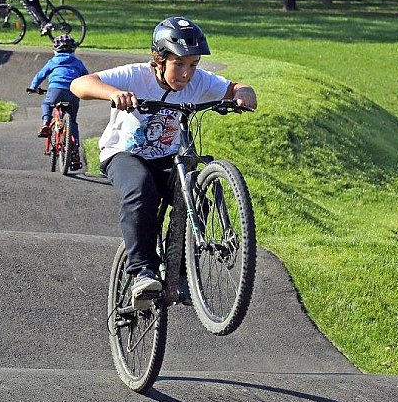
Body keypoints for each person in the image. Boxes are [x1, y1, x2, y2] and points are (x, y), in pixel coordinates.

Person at [70, 16, 257, 304]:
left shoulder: (199, 81)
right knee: (141, 188)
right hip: (123, 154)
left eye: (193, 65)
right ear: (159, 60)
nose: (186, 74)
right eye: (178, 64)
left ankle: (180, 271)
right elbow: (80, 84)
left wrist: (244, 93)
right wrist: (114, 93)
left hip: (168, 159)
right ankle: (142, 271)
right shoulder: (135, 75)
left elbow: (235, 87)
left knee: (196, 197)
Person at [27, 33, 88, 171]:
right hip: (73, 91)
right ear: (73, 49)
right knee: (72, 121)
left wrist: (33, 87)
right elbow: (87, 77)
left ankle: (46, 124)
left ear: (55, 49)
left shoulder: (53, 61)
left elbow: (40, 75)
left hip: (56, 89)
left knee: (47, 104)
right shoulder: (78, 63)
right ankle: (74, 148)